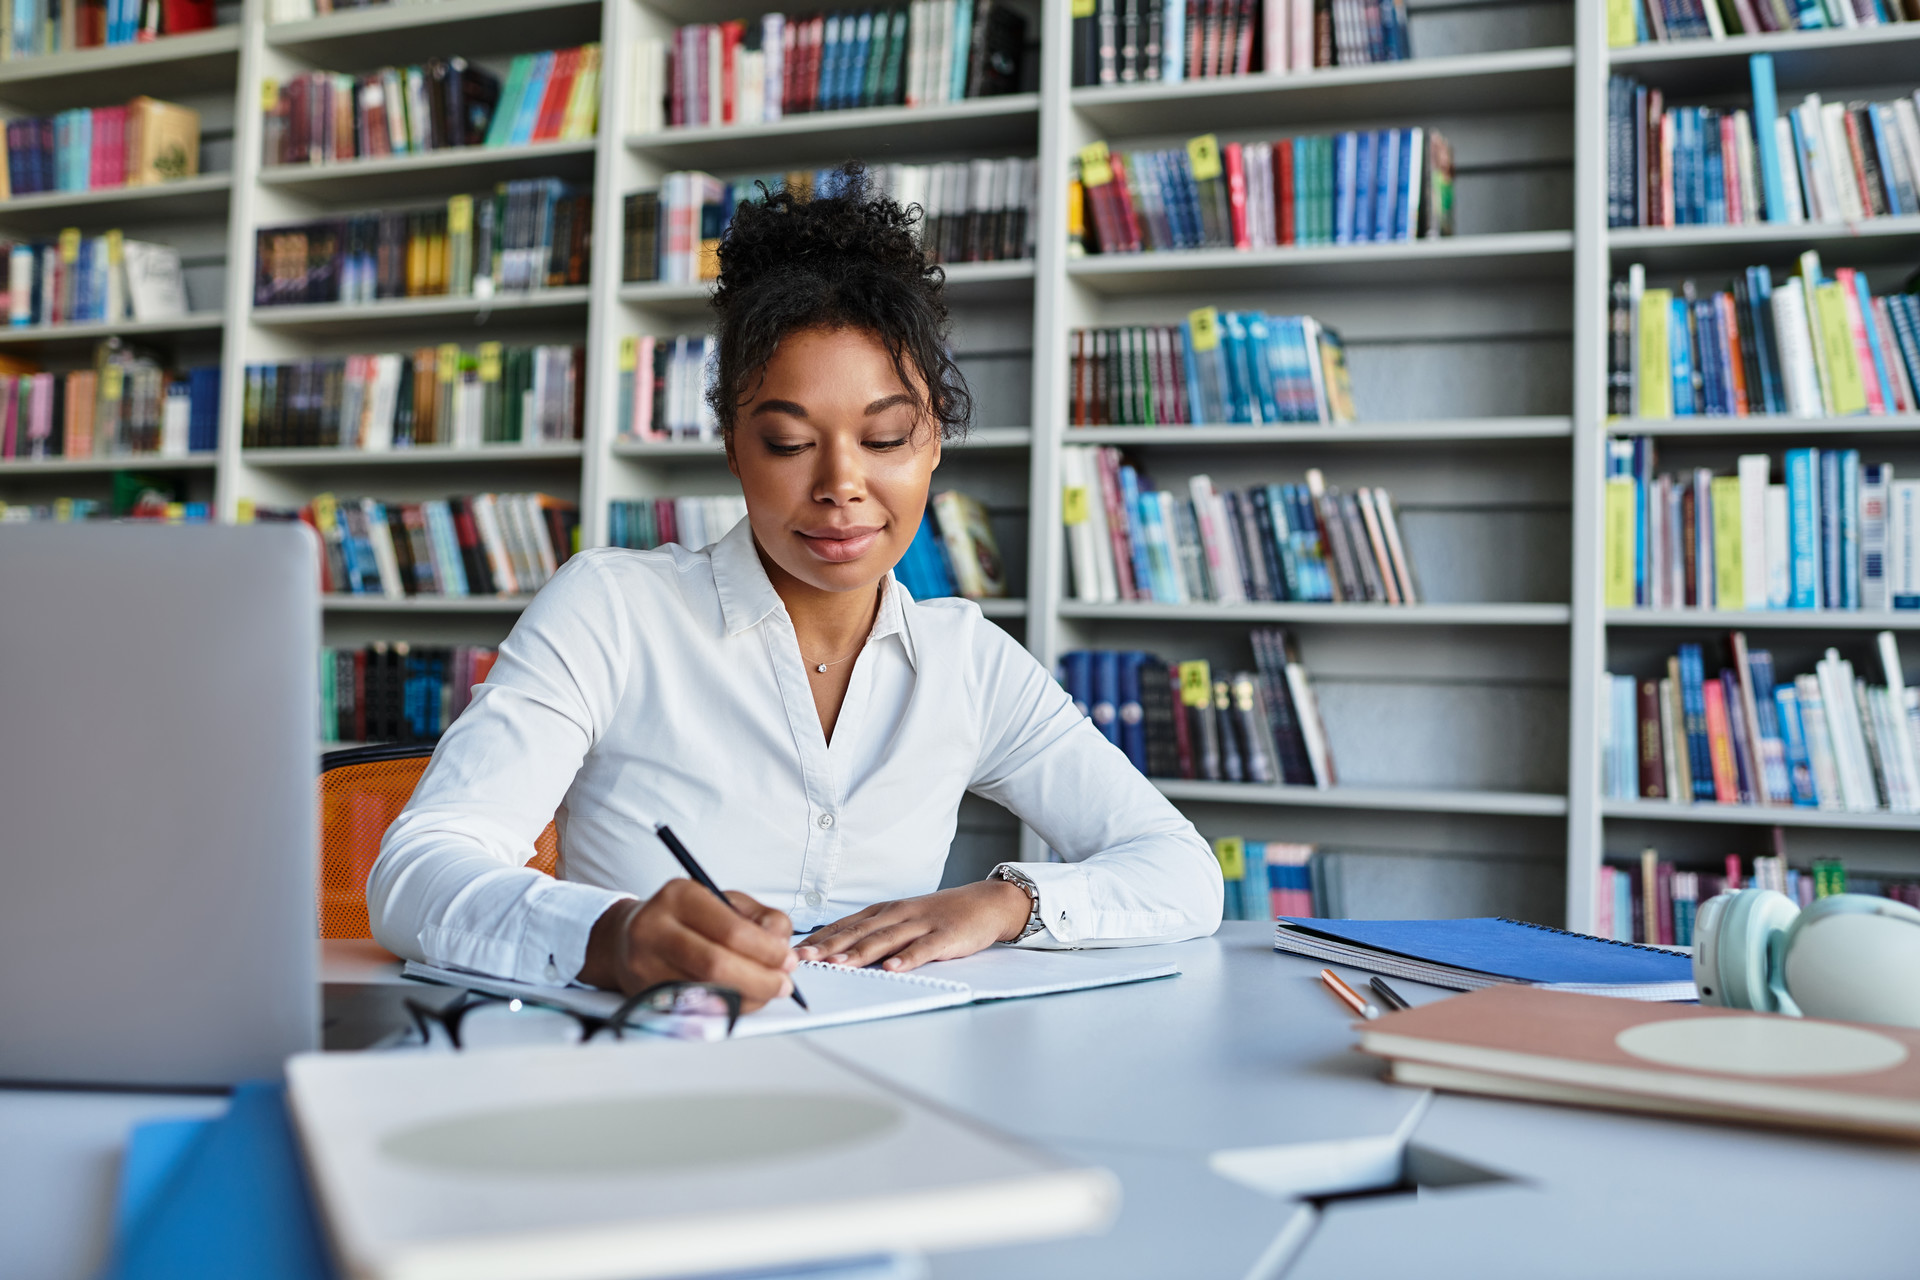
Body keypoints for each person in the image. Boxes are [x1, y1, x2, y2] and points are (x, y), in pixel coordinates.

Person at [369, 167, 1221, 1012]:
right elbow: (419, 868)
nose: (841, 484)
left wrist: (1006, 904)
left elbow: (1181, 871)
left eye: (885, 438)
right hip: (649, 1084)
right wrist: (613, 936)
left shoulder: (967, 662)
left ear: (934, 446)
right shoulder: (613, 613)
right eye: (786, 444)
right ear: (734, 449)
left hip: (888, 1086)